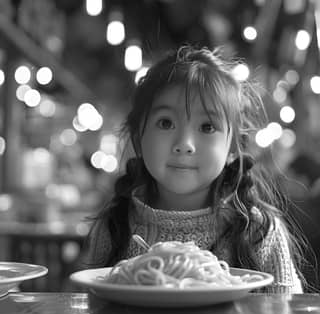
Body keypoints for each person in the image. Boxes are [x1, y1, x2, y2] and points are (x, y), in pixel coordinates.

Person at [82, 45, 307, 293]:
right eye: (166, 123)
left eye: (207, 127)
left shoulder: (258, 231)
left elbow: (286, 311)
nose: (184, 145)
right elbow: (90, 305)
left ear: (232, 148)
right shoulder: (115, 226)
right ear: (138, 138)